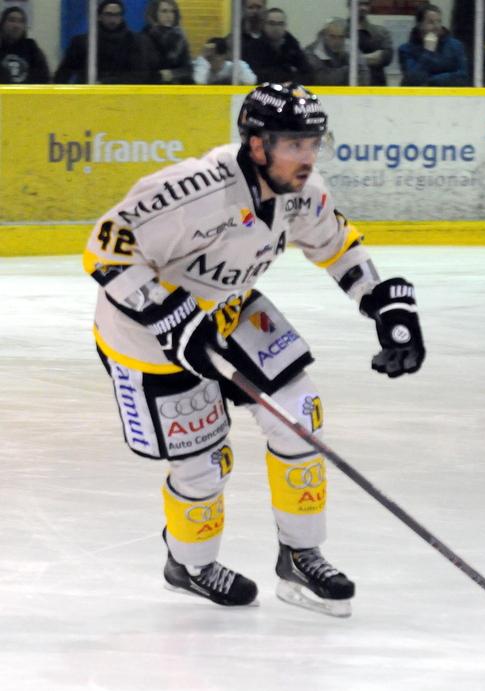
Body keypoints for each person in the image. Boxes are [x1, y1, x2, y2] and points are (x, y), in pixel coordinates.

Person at [82, 82, 425, 614]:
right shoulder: (193, 190)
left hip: (229, 310)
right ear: (258, 145)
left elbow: (336, 245)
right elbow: (105, 249)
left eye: (313, 144)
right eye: (294, 144)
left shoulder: (303, 190)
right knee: (202, 467)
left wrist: (382, 303)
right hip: (146, 339)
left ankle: (300, 555)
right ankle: (190, 566)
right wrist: (171, 317)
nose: (307, 158)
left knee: (300, 415)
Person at [54, 0, 150, 84]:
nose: (113, 19)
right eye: (108, 14)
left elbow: (138, 75)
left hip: (122, 95)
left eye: (117, 14)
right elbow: (64, 73)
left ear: (122, 17)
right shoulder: (82, 43)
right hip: (88, 94)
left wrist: (106, 83)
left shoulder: (133, 41)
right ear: (99, 16)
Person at [399, 3, 469, 87]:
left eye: (439, 21)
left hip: (448, 93)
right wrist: (428, 53)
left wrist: (431, 82)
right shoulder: (406, 50)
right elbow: (413, 80)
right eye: (431, 22)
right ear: (419, 25)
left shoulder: (456, 46)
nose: (437, 26)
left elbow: (462, 76)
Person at [140, 0, 193, 84]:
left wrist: (173, 74)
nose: (169, 15)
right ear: (154, 13)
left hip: (174, 85)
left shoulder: (179, 37)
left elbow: (188, 69)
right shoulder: (145, 36)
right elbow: (141, 68)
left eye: (172, 11)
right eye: (164, 11)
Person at [305, 17, 368, 86]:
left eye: (341, 37)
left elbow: (364, 75)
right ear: (325, 35)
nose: (337, 41)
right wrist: (350, 69)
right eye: (332, 36)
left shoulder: (351, 48)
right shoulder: (312, 52)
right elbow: (323, 80)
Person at [0, 5, 50, 83]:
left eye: (21, 21)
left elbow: (44, 78)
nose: (16, 25)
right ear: (2, 24)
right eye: (12, 20)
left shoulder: (31, 48)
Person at [353, 0, 393, 86]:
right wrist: (371, 58)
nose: (363, 8)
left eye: (366, 4)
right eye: (359, 4)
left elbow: (387, 56)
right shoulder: (339, 32)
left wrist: (353, 59)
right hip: (346, 89)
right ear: (350, 4)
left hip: (375, 88)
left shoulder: (381, 32)